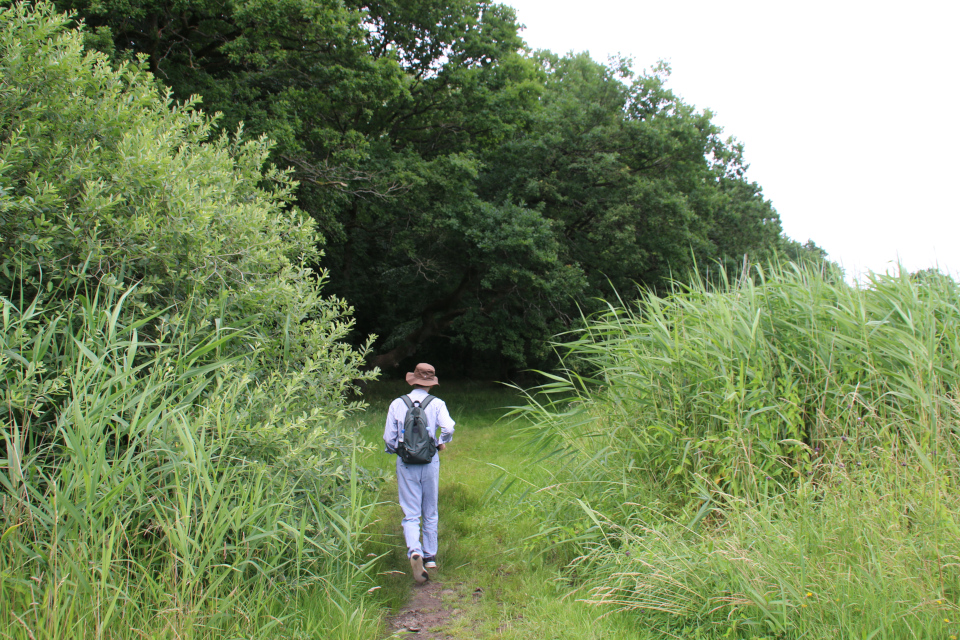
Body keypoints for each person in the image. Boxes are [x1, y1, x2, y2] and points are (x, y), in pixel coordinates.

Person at [383, 363, 455, 583]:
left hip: (406, 462)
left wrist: (398, 451)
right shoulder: (437, 404)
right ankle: (430, 556)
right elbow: (449, 427)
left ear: (412, 380)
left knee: (411, 511)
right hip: (429, 460)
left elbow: (389, 438)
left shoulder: (397, 403)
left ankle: (414, 550)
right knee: (430, 508)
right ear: (431, 384)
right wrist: (441, 443)